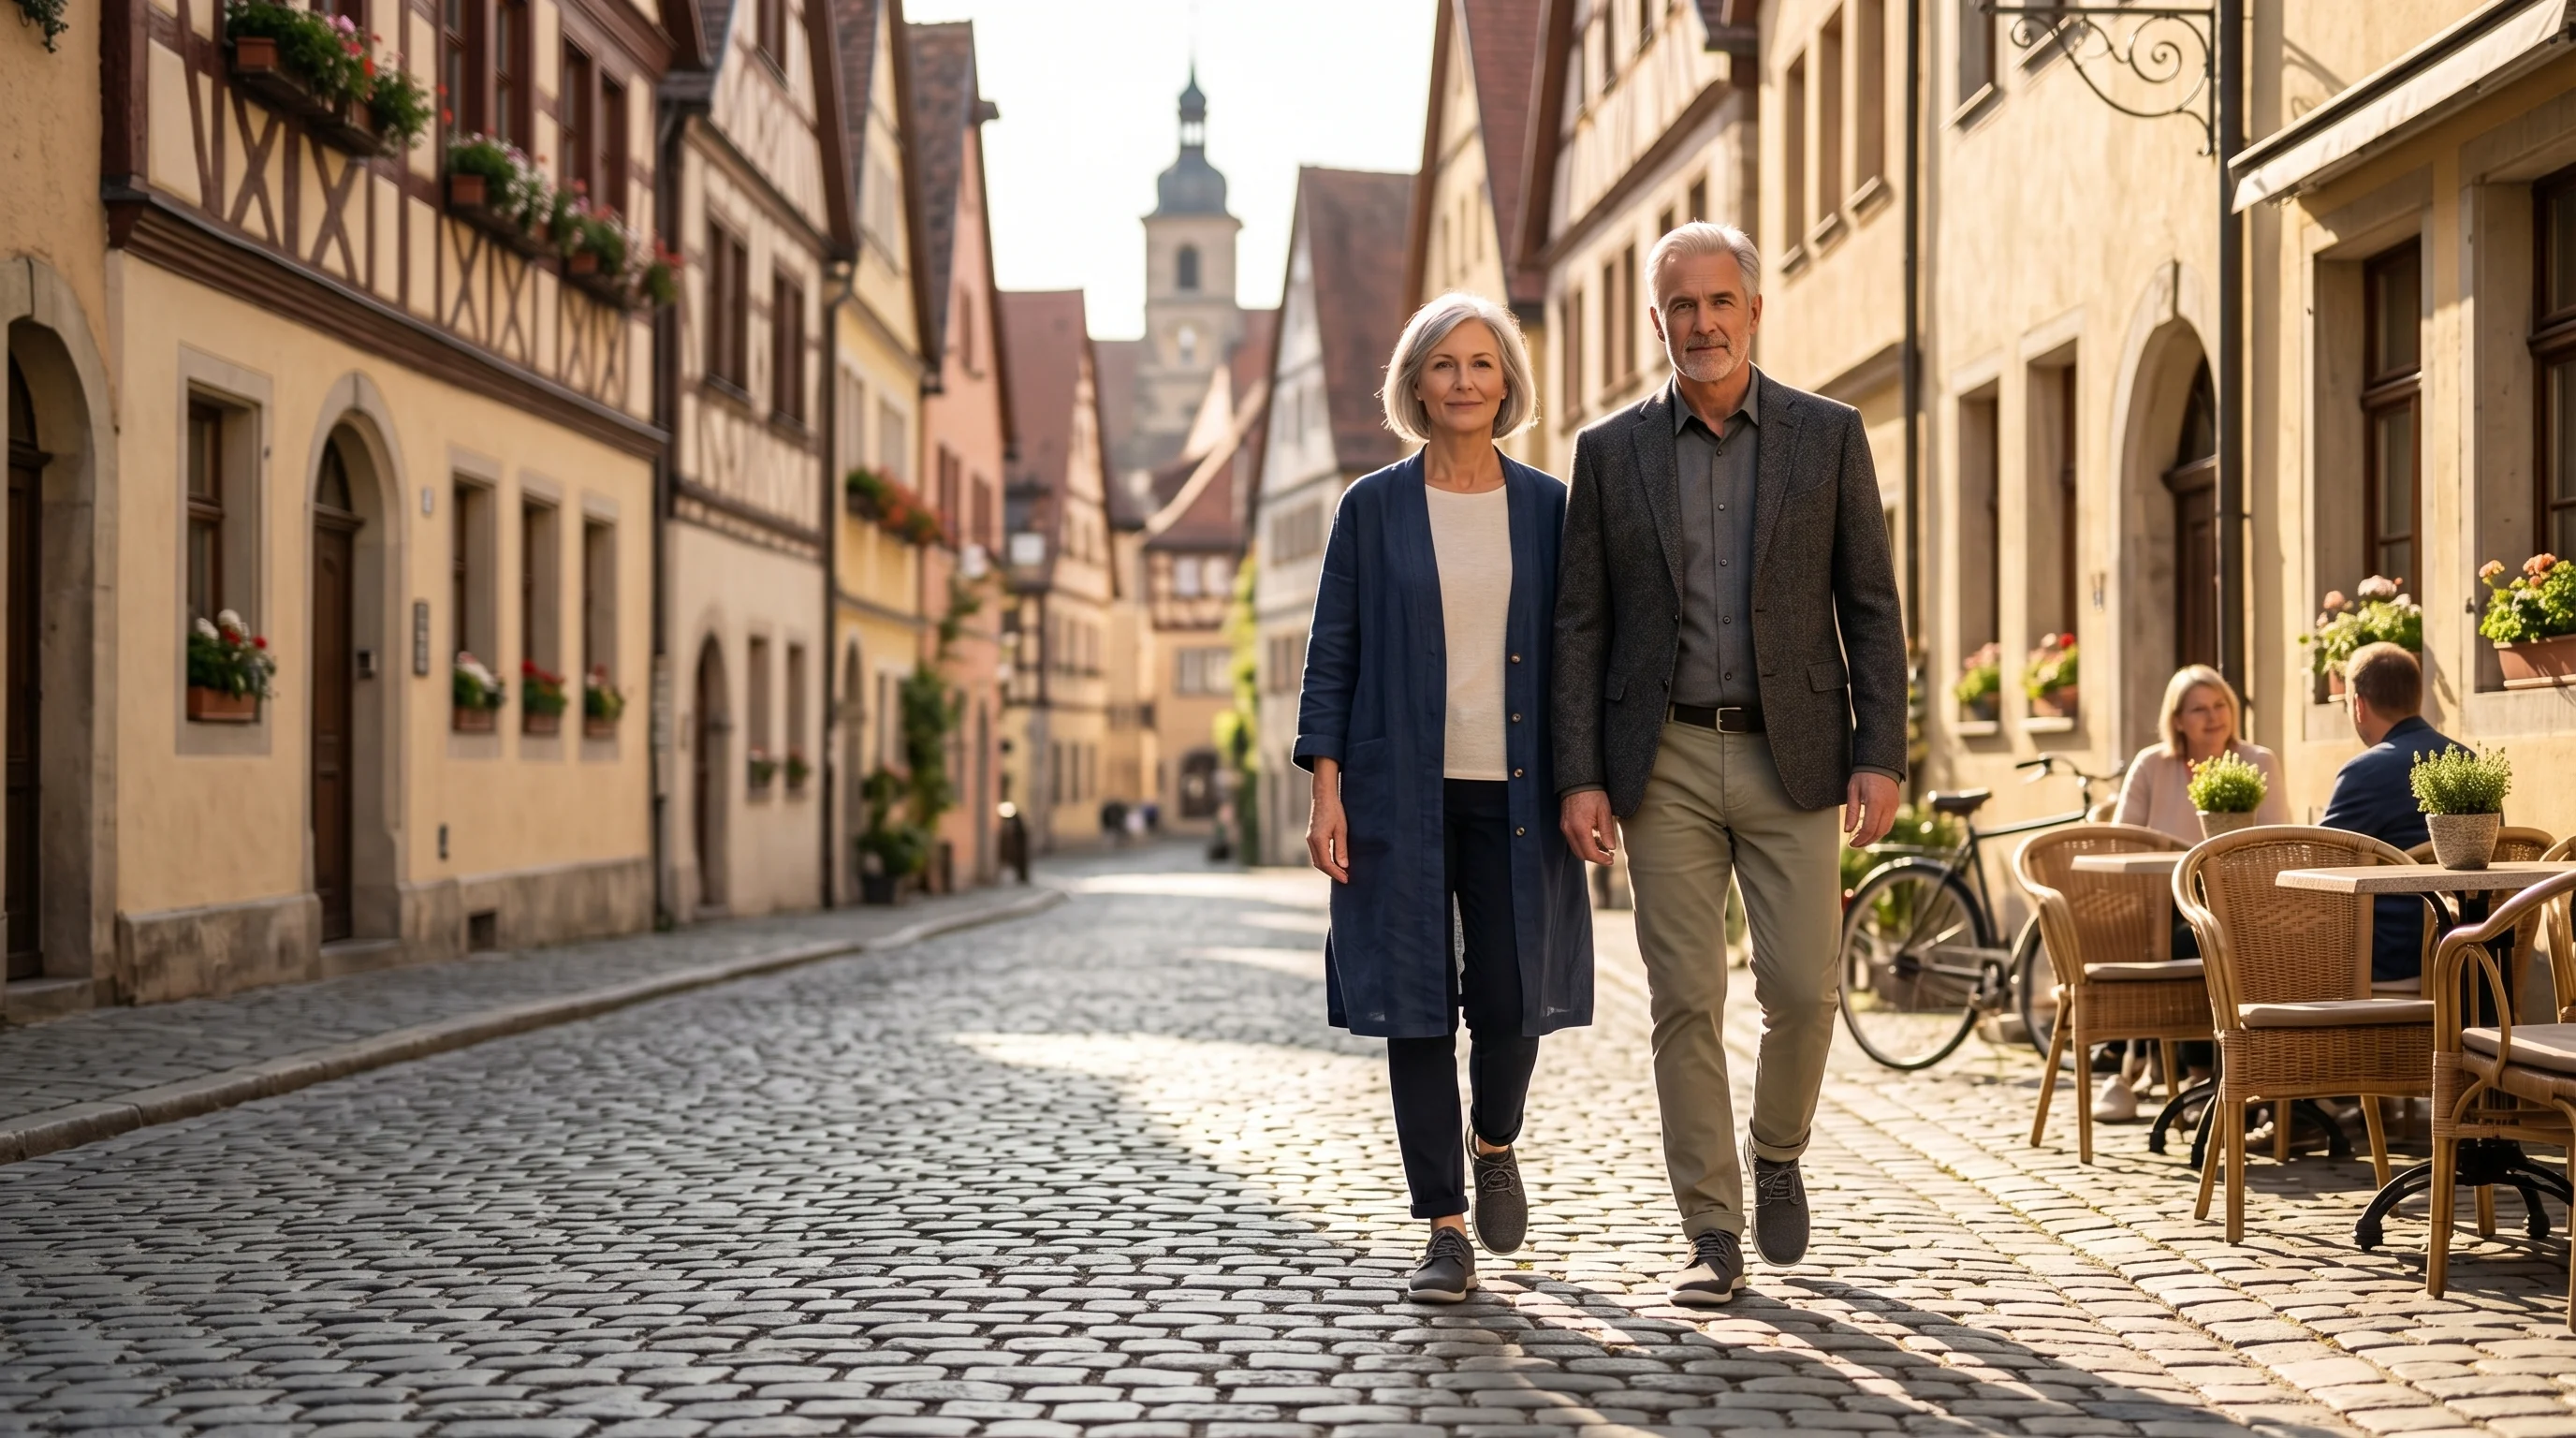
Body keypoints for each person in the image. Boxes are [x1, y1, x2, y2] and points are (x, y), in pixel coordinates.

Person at [1552, 224, 1908, 1306]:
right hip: (1657, 759)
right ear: (1653, 320)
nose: (1701, 323)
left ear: (1753, 310)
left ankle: (1777, 1149)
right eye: (1681, 305)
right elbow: (1580, 626)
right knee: (1685, 997)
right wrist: (1580, 774)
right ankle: (1710, 1227)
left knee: (1802, 988)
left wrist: (1880, 752)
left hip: (1792, 753)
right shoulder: (1608, 454)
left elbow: (1869, 605)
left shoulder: (1826, 435)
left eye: (1719, 302)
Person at [1296, 292, 1594, 1303]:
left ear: (1507, 383)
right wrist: (1326, 788)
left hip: (1520, 795)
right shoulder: (1370, 508)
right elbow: (1333, 652)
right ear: (1415, 385)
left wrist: (1589, 780)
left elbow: (1579, 659)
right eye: (1443, 365)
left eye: (1481, 363)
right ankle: (1444, 1228)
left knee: (1513, 1001)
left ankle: (1493, 1140)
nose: (1464, 381)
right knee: (1415, 1009)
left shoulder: (1548, 508)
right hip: (1397, 797)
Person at [2100, 666, 2288, 1120]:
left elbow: (2278, 841)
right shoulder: (2153, 764)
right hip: (2160, 903)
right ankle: (2197, 1076)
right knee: (2190, 938)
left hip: (2244, 901)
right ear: (2178, 720)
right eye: (2199, 709)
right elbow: (2120, 842)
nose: (2213, 717)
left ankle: (2210, 1075)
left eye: (2220, 705)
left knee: (2202, 939)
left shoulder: (2257, 761)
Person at [2321, 642, 2462, 986]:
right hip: (2467, 955)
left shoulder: (2364, 773)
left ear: (2358, 705)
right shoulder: (2468, 762)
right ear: (2417, 697)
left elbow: (2319, 864)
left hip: (2388, 962)